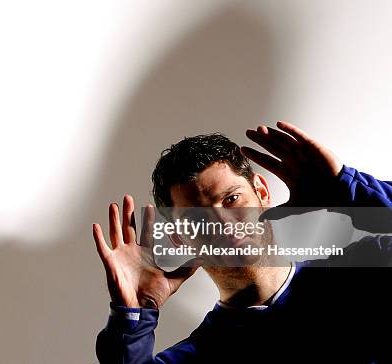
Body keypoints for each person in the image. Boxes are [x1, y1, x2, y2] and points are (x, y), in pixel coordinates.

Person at [93, 121, 392, 363]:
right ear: (179, 236)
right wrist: (135, 316)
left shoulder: (362, 271)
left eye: (232, 199)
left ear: (262, 192)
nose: (223, 224)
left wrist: (349, 188)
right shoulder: (204, 354)